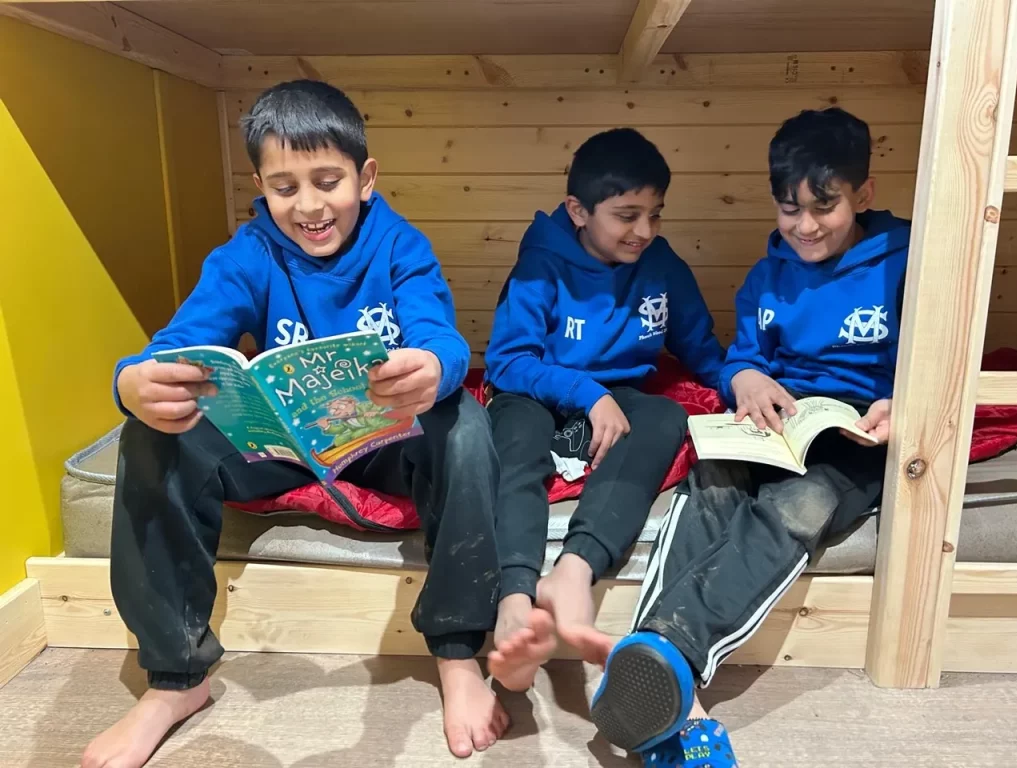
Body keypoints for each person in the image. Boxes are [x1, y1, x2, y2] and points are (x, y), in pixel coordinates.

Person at [82, 79, 506, 768]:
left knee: (465, 427)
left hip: (382, 441)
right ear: (259, 185)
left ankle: (457, 652)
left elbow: (441, 332)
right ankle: (175, 678)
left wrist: (433, 364)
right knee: (150, 432)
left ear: (365, 179)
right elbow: (176, 343)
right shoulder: (247, 254)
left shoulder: (402, 245)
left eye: (328, 180)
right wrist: (132, 382)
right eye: (284, 188)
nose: (308, 206)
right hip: (280, 444)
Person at [559, 107, 909, 767]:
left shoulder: (905, 261)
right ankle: (666, 691)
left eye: (824, 206)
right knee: (710, 484)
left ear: (862, 195)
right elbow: (738, 357)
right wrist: (745, 376)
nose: (805, 226)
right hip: (776, 419)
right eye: (788, 209)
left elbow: (940, 351)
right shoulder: (767, 276)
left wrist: (904, 402)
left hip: (854, 432)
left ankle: (667, 654)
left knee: (794, 510)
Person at [483, 128, 726, 693]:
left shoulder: (662, 266)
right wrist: (590, 395)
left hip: (622, 398)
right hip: (537, 391)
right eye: (626, 215)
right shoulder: (540, 268)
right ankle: (514, 601)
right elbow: (506, 361)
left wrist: (746, 379)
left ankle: (574, 572)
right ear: (579, 211)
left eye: (656, 215)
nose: (644, 231)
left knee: (667, 416)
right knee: (513, 441)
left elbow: (702, 352)